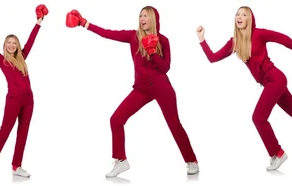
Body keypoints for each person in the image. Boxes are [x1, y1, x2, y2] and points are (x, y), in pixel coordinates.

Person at [196, 6, 292, 171]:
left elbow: (282, 38)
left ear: (250, 19)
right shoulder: (235, 42)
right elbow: (213, 58)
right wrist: (202, 39)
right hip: (270, 82)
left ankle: (277, 153)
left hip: (275, 79)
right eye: (237, 14)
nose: (239, 17)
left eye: (244, 14)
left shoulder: (259, 33)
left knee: (258, 118)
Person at [65, 6, 200, 177]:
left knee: (174, 124)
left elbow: (165, 68)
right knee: (116, 119)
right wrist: (85, 23)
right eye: (140, 16)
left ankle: (192, 161)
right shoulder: (132, 36)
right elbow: (107, 33)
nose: (142, 19)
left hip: (161, 86)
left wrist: (153, 52)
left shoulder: (163, 40)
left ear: (153, 19)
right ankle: (121, 161)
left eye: (145, 16)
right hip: (142, 88)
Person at [0, 4, 47, 179]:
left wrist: (38, 21)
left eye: (14, 43)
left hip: (29, 100)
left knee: (23, 132)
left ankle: (17, 166)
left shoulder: (22, 57)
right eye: (9, 43)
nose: (12, 45)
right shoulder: (2, 61)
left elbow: (31, 40)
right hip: (13, 100)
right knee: (4, 131)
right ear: (5, 45)